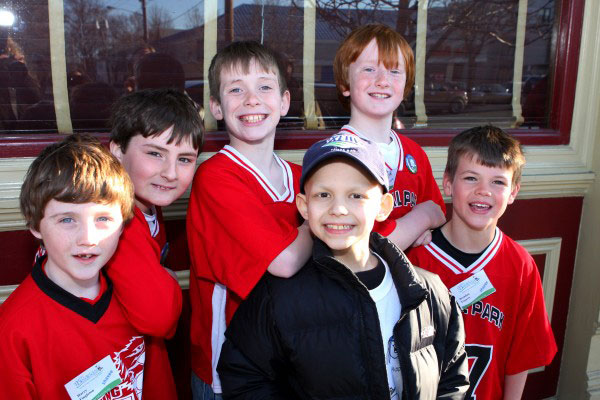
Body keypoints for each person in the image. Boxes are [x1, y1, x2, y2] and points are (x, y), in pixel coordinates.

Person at [217, 134, 469, 399]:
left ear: (383, 207)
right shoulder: (277, 298)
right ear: (304, 206)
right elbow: (244, 375)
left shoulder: (429, 292)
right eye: (323, 194)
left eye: (356, 195)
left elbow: (452, 378)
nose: (338, 208)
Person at [186, 41, 313, 399]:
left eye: (264, 87)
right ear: (216, 107)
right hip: (231, 370)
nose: (252, 99)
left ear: (285, 102)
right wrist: (315, 224)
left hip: (291, 359)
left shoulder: (303, 175)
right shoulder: (216, 177)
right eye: (235, 89)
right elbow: (285, 262)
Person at [407, 126, 557, 399]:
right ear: (448, 183)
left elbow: (521, 359)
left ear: (513, 192)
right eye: (471, 178)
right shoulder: (415, 258)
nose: (483, 191)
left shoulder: (520, 266)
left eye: (498, 182)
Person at [0, 134, 144, 399]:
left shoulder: (137, 302)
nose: (87, 238)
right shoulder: (12, 331)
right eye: (67, 220)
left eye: (103, 218)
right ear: (34, 225)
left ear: (123, 223)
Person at [108, 88, 204, 399]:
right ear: (117, 152)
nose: (170, 173)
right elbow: (158, 316)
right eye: (154, 153)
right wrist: (170, 280)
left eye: (185, 159)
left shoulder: (146, 202)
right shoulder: (115, 221)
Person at [333, 23, 446, 250]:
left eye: (394, 71)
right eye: (369, 69)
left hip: (411, 281)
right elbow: (364, 247)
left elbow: (439, 211)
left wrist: (420, 225)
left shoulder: (414, 153)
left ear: (405, 86)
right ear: (345, 82)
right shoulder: (333, 156)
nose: (383, 80)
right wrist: (419, 221)